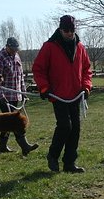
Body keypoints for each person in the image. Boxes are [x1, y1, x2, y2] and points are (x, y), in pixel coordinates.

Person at [32, 15, 92, 173]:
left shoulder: (80, 47)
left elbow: (87, 70)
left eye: (72, 30)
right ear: (60, 29)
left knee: (75, 129)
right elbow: (38, 69)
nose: (69, 33)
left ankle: (69, 163)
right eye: (66, 30)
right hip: (57, 94)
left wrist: (86, 87)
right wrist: (44, 88)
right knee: (65, 126)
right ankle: (53, 155)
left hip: (75, 94)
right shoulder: (49, 46)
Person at [0, 37, 39, 156]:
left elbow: (20, 77)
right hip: (5, 97)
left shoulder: (17, 57)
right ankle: (25, 146)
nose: (14, 51)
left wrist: (23, 93)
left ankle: (2, 146)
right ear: (7, 46)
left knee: (7, 123)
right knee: (14, 122)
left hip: (16, 95)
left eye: (16, 49)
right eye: (12, 49)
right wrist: (0, 96)